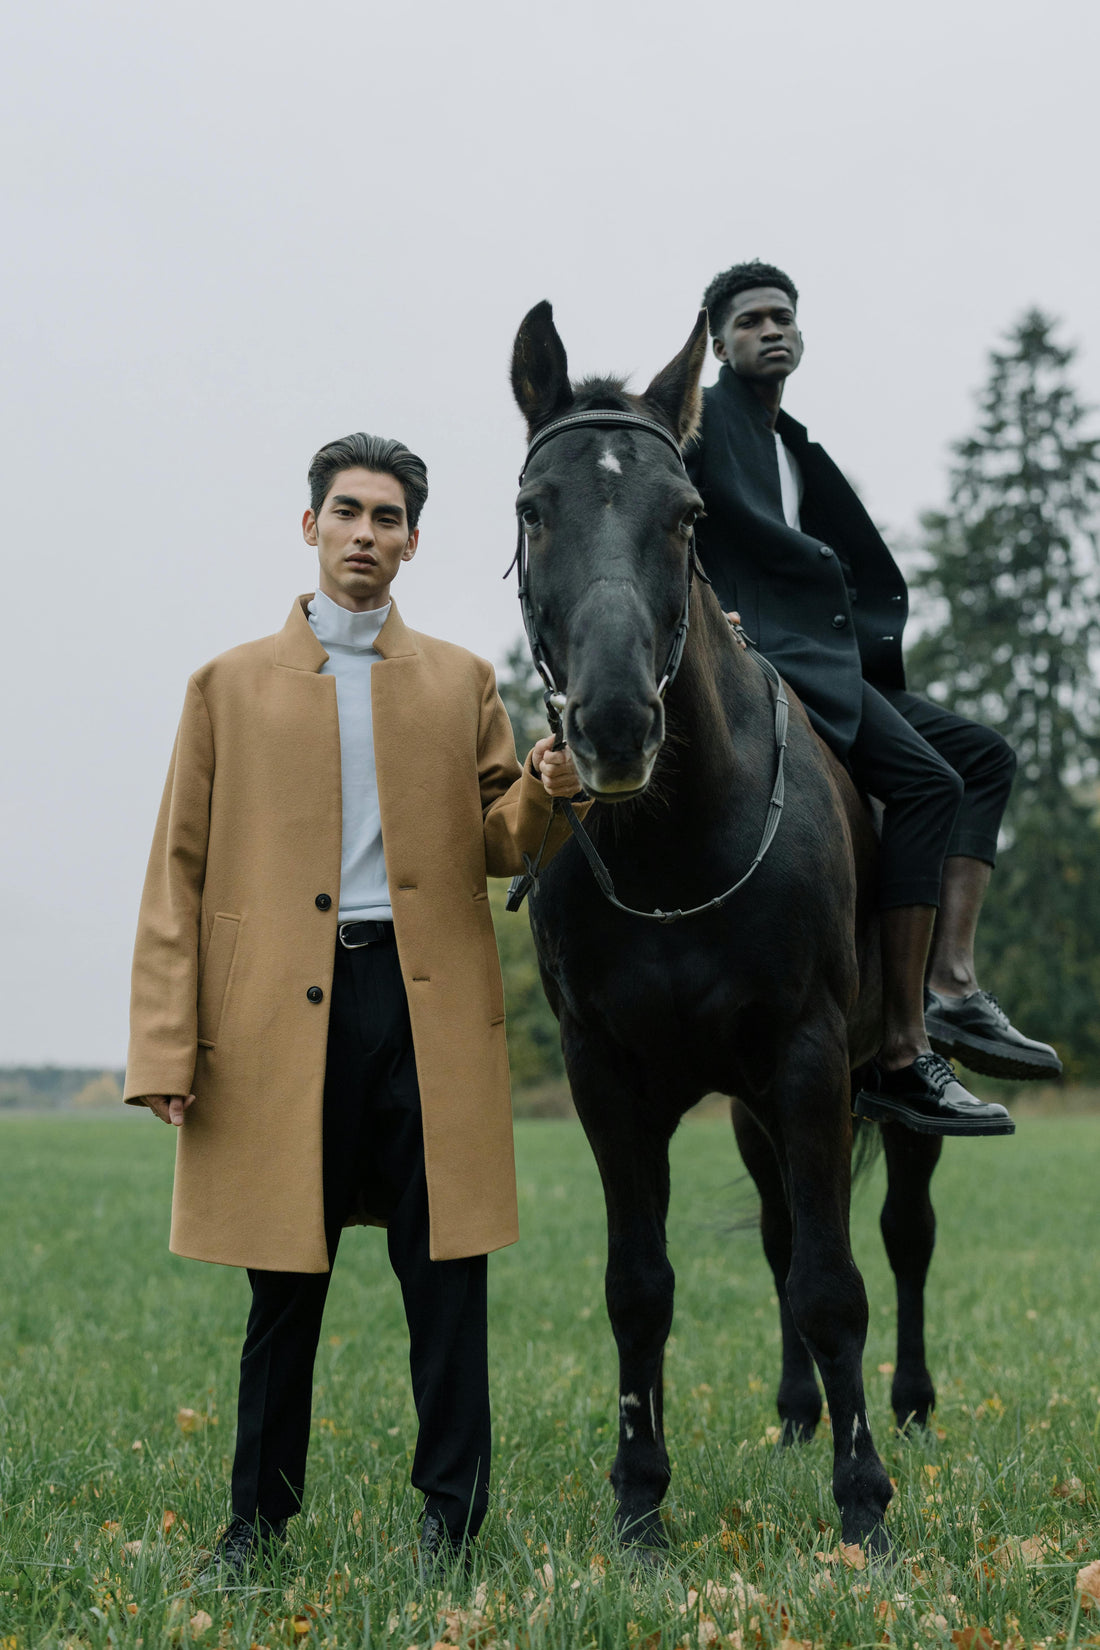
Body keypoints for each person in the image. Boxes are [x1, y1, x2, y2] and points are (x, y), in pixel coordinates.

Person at [124, 432, 582, 1577]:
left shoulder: (462, 680)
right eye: (347, 512)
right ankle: (255, 1525)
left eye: (387, 518)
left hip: (424, 1009)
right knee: (285, 1282)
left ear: (414, 542)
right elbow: (176, 871)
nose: (365, 534)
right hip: (281, 1018)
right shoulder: (224, 685)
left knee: (446, 1276)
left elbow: (494, 840)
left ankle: (452, 1521)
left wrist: (545, 790)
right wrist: (166, 1046)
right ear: (310, 526)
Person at [687, 261, 1060, 1137]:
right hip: (771, 667)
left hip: (834, 662)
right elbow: (661, 516)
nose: (771, 330)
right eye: (750, 322)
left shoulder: (792, 443)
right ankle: (901, 1046)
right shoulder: (702, 425)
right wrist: (709, 604)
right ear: (718, 341)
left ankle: (954, 983)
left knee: (982, 757)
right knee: (930, 782)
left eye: (784, 317)